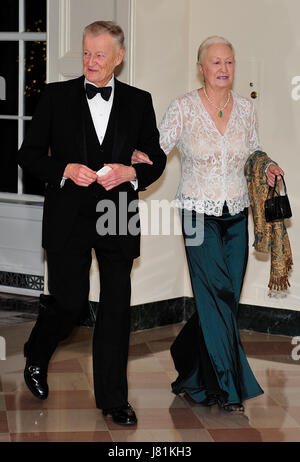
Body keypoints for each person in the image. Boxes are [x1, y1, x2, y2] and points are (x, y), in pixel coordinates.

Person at [17, 20, 166, 426]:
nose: (91, 61)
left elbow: (156, 158)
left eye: (100, 54)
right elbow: (28, 156)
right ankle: (38, 349)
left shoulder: (140, 101)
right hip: (68, 216)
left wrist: (131, 173)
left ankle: (115, 399)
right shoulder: (55, 96)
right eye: (86, 52)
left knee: (117, 307)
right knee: (70, 303)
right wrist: (64, 168)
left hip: (117, 214)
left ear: (118, 58)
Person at [132, 36, 284, 413]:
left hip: (236, 213)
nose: (223, 69)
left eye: (229, 62)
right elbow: (158, 149)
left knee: (226, 296)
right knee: (216, 291)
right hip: (197, 213)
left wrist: (267, 167)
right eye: (215, 63)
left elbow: (252, 152)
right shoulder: (183, 107)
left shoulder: (246, 109)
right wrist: (134, 161)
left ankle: (187, 353)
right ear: (201, 68)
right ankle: (227, 387)